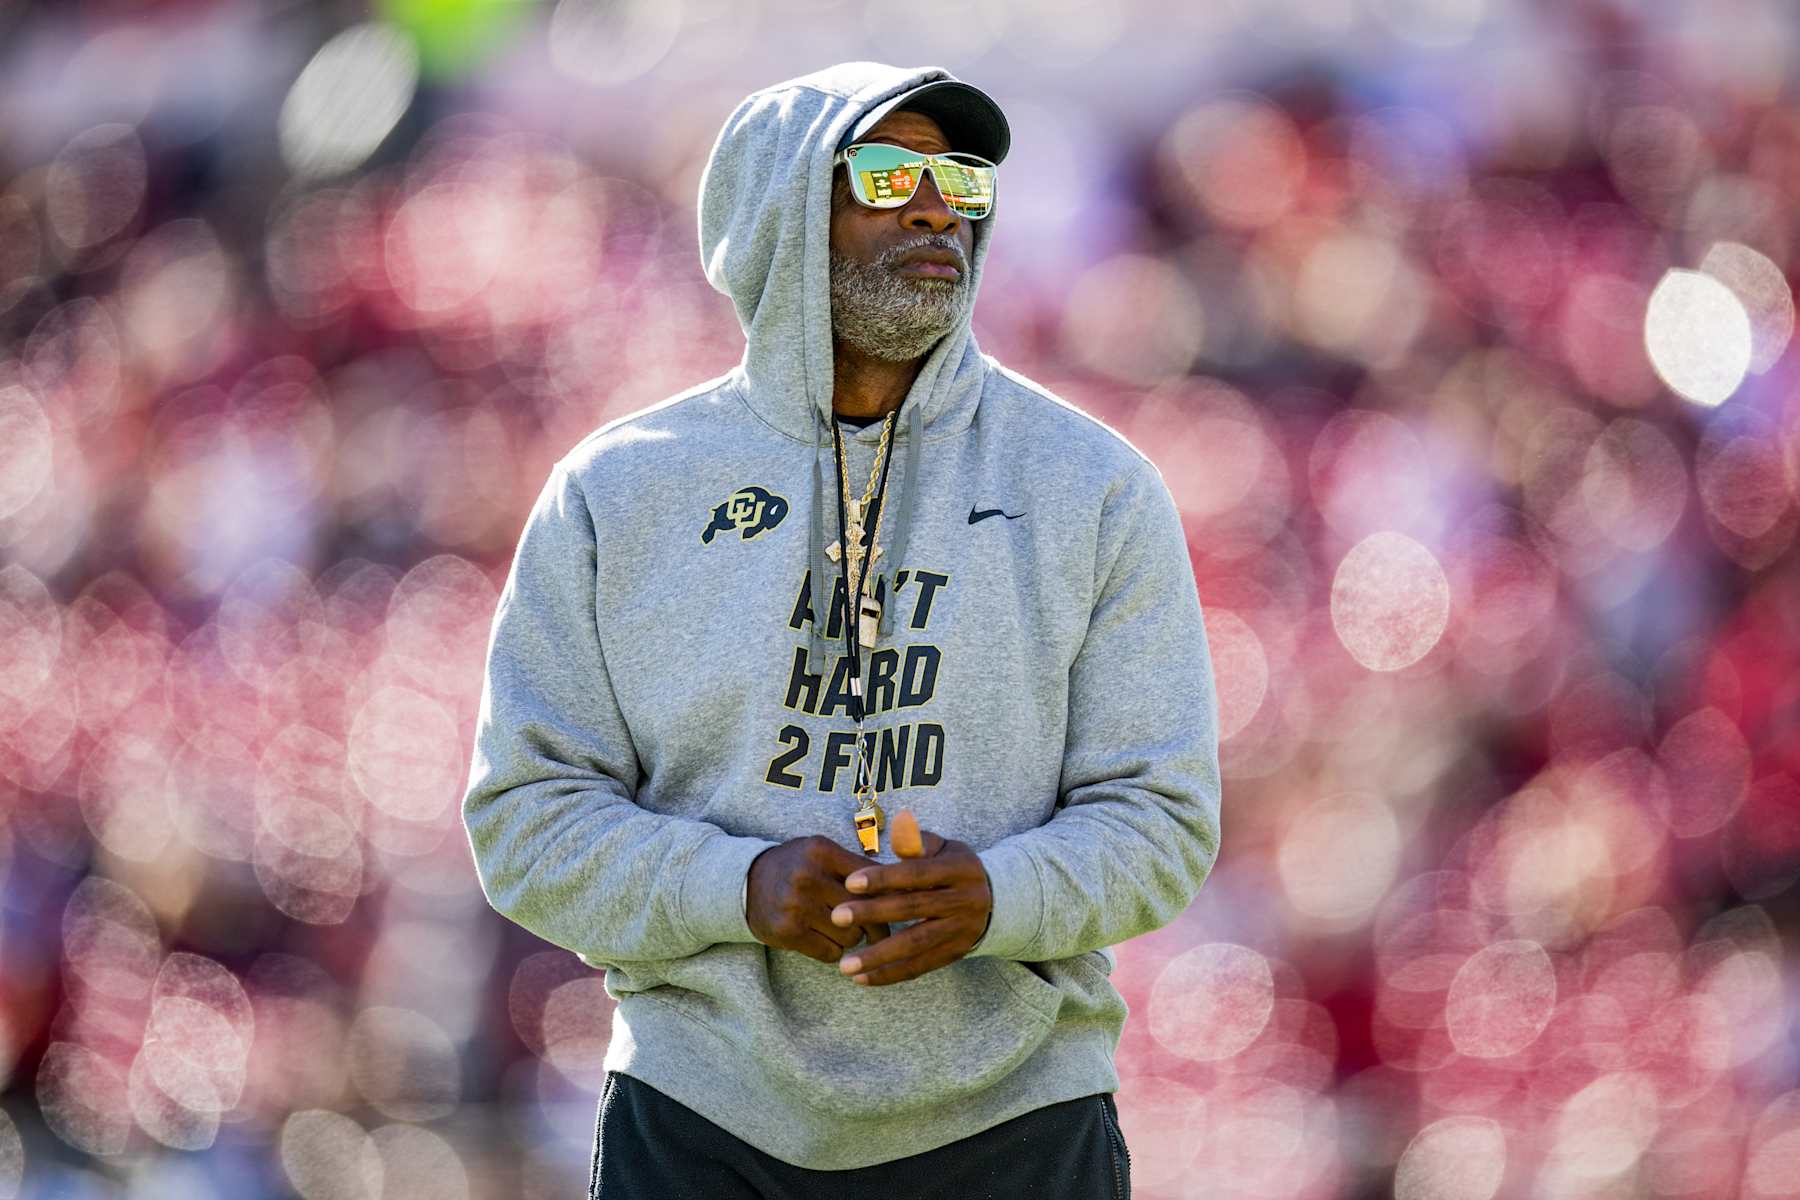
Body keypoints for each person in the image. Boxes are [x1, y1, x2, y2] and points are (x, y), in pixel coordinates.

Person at [461, 61, 1221, 1198]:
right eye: (885, 173)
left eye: (959, 181)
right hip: (702, 1117)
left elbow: (1162, 819)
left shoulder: (1094, 487)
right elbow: (524, 821)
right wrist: (737, 884)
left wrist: (999, 897)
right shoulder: (618, 494)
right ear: (781, 207)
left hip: (1018, 1119)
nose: (934, 205)